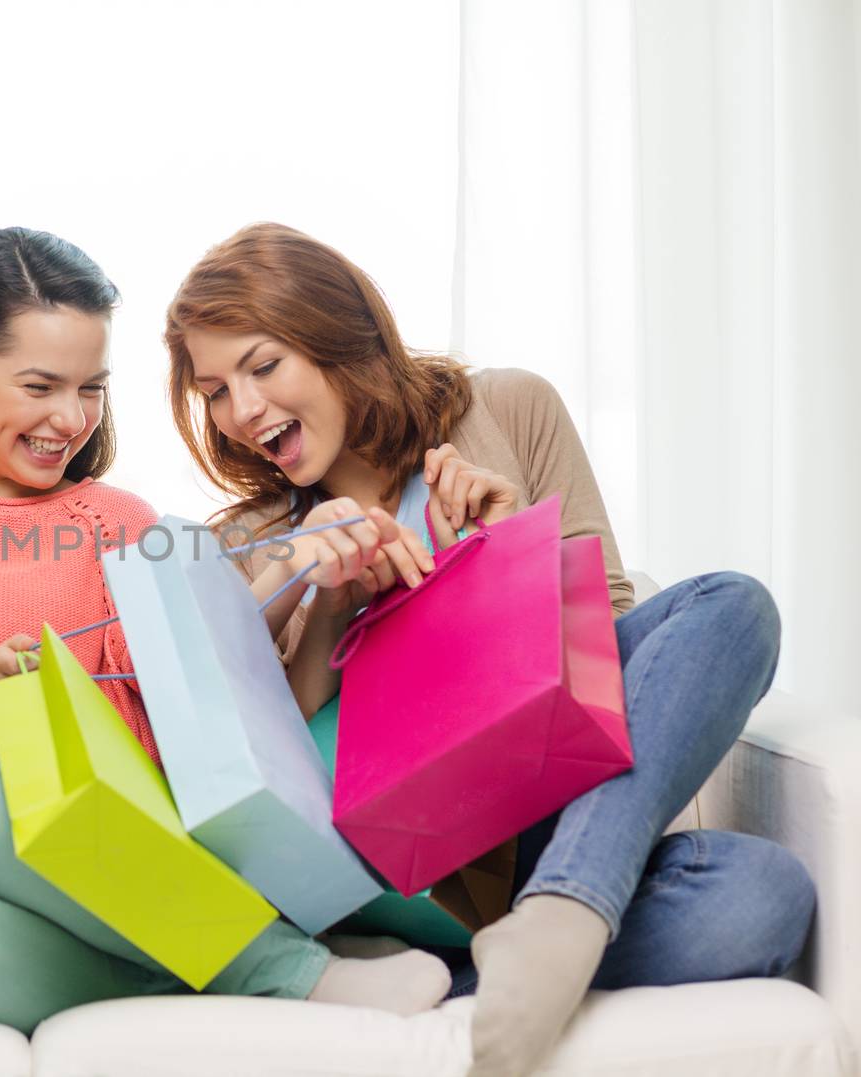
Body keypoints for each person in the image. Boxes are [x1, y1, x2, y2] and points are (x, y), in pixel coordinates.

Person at [164, 221, 815, 1075]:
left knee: (764, 849)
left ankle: (540, 931)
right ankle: (540, 931)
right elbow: (263, 761)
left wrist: (508, 555)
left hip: (551, 817)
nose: (240, 411)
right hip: (424, 877)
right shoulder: (254, 538)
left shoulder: (506, 408)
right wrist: (323, 589)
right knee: (756, 898)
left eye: (261, 365)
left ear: (336, 336)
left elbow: (622, 649)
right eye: (214, 390)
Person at [0, 226, 450, 1035]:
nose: (71, 418)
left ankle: (274, 967)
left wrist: (289, 573)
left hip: (99, 869)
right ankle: (260, 964)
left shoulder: (118, 523)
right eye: (40, 385)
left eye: (91, 388)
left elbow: (168, 699)